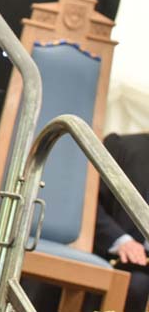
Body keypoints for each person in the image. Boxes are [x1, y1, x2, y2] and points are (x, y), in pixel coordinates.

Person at [94, 132, 149, 312]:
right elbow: (88, 205)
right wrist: (121, 241)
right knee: (136, 286)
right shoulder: (122, 147)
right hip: (119, 259)